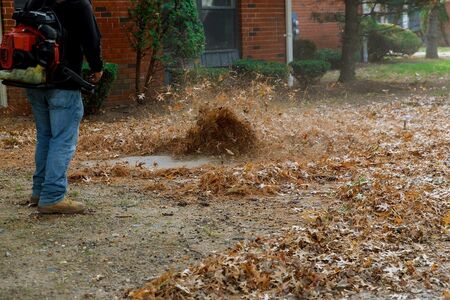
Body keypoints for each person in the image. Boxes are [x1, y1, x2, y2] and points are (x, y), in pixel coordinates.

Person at [24, 0, 103, 214]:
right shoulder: (78, 3)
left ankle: (39, 192)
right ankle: (53, 196)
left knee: (45, 137)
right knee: (63, 140)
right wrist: (97, 67)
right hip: (63, 82)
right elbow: (91, 39)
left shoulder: (35, 1)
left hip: (34, 79)